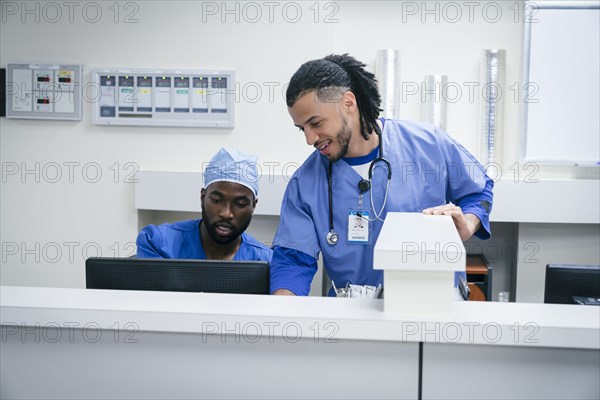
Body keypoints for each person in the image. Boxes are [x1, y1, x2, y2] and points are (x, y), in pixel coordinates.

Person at [271, 54, 494, 296]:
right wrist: (283, 310)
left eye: (315, 123)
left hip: (434, 303)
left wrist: (468, 223)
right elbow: (293, 260)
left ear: (348, 103)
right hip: (354, 311)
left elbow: (479, 188)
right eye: (302, 129)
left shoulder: (427, 145)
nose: (309, 139)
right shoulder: (305, 182)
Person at [136, 147, 272, 262]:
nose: (226, 214)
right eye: (217, 201)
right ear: (203, 197)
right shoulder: (158, 242)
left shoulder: (267, 261)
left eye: (240, 204)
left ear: (253, 206)